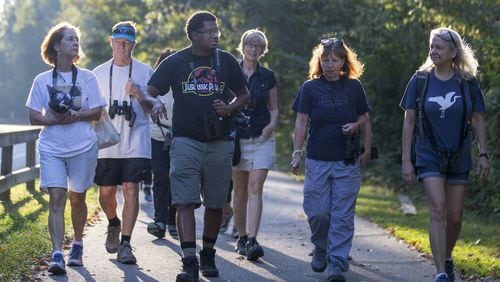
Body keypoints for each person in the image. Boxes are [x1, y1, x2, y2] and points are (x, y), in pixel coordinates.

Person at [134, 10, 250, 281]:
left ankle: (207, 253)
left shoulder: (227, 61)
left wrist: (228, 108)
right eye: (210, 31)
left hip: (219, 141)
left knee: (215, 203)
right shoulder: (175, 62)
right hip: (185, 140)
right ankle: (189, 262)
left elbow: (245, 95)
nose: (215, 35)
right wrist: (156, 102)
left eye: (217, 30)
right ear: (194, 35)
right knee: (185, 201)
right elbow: (148, 93)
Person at [400, 27, 489, 282]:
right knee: (438, 209)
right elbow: (408, 122)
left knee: (455, 216)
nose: (433, 51)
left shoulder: (467, 82)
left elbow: (478, 119)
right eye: (432, 46)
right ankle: (440, 272)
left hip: (459, 154)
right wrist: (407, 160)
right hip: (428, 153)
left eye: (439, 46)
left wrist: (484, 154)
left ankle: (446, 256)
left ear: (453, 51)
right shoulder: (419, 80)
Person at [26, 22, 106, 274]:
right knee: (57, 198)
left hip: (83, 146)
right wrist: (52, 119)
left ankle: (78, 244)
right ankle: (57, 254)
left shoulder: (87, 77)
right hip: (52, 147)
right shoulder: (41, 80)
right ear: (57, 46)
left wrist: (77, 114)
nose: (75, 43)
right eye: (70, 39)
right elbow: (33, 116)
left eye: (77, 39)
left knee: (78, 198)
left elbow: (97, 110)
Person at [290, 37, 369, 282]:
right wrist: (296, 152)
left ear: (344, 61)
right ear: (319, 61)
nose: (330, 64)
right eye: (325, 59)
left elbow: (364, 117)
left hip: (346, 159)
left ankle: (337, 262)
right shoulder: (309, 88)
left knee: (342, 214)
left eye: (335, 59)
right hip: (317, 158)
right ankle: (320, 246)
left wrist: (356, 126)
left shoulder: (354, 87)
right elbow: (301, 122)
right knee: (318, 212)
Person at [93, 21, 154, 265]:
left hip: (136, 139)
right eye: (119, 42)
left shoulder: (145, 71)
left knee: (131, 189)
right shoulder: (96, 73)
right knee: (106, 192)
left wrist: (139, 93)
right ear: (111, 42)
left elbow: (152, 106)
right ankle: (113, 223)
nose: (123, 47)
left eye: (128, 43)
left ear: (134, 45)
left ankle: (126, 244)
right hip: (108, 142)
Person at [232, 29, 278, 261]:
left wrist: (271, 126)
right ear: (243, 47)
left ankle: (252, 239)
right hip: (237, 139)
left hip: (261, 137)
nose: (253, 49)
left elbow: (274, 109)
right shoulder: (232, 72)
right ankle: (241, 237)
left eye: (258, 46)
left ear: (263, 50)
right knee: (239, 190)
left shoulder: (267, 76)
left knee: (255, 188)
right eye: (250, 45)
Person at [146, 47, 178, 240]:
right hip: (157, 136)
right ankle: (160, 220)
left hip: (181, 138)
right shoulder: (155, 86)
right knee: (160, 178)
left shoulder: (184, 84)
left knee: (176, 179)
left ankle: (173, 220)